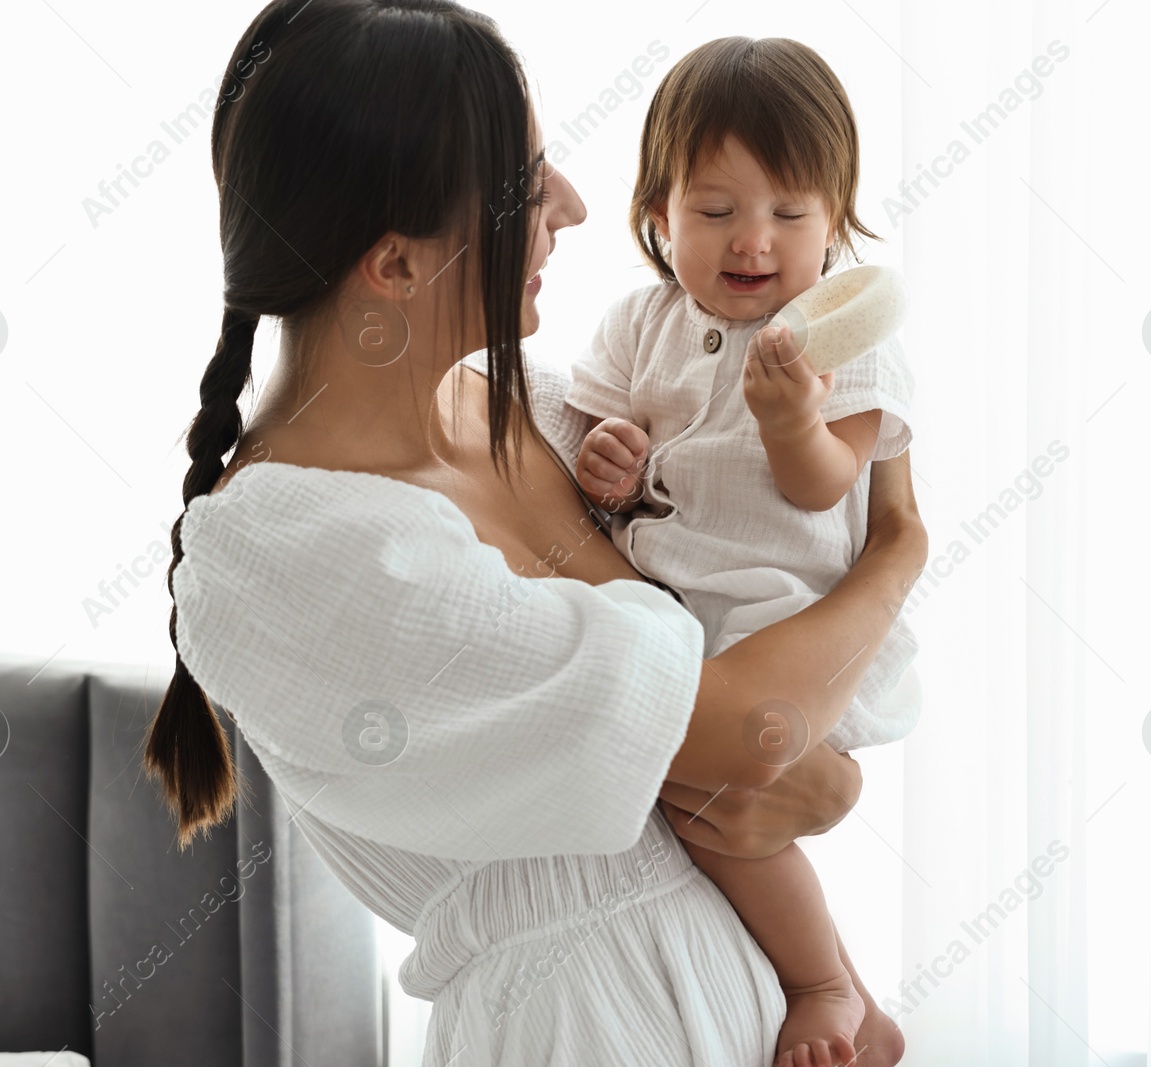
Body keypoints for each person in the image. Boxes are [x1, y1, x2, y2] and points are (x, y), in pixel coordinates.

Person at [142, 2, 926, 1065]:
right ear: (396, 264)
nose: (571, 204)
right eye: (526, 184)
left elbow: (756, 727)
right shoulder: (298, 552)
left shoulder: (543, 416)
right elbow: (747, 732)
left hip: (741, 1000)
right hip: (581, 1029)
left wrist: (813, 787)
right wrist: (896, 552)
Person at [566, 37, 918, 1066]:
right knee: (683, 803)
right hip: (683, 617)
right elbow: (596, 453)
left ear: (836, 220)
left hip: (793, 623)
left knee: (713, 807)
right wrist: (608, 461)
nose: (751, 241)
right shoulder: (642, 322)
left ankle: (822, 986)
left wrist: (789, 421)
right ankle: (865, 1004)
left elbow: (825, 485)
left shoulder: (841, 334)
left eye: (789, 213)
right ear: (657, 214)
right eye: (714, 212)